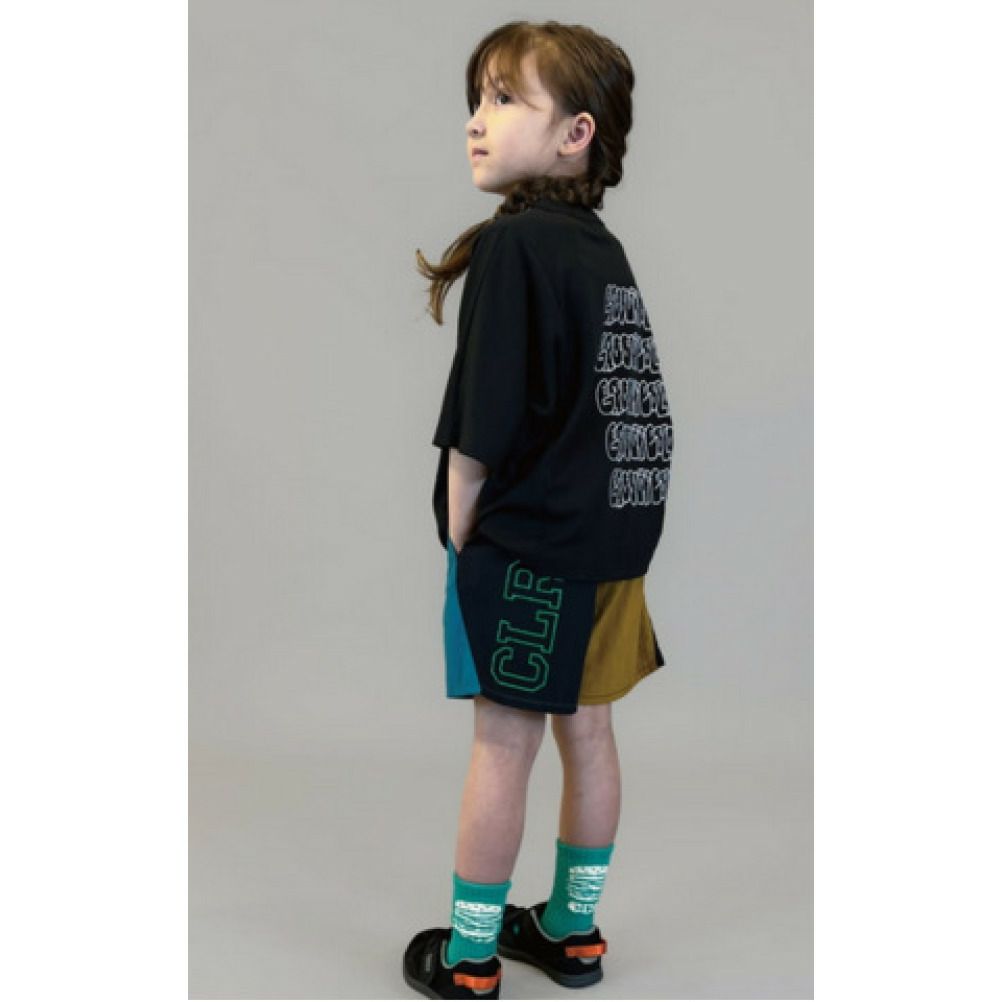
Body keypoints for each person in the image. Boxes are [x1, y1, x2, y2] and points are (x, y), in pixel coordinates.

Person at [403, 19, 674, 1000]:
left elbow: (482, 422)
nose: (477, 120)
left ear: (575, 133)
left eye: (506, 98)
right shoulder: (603, 252)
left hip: (529, 551)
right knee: (589, 733)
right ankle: (573, 931)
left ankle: (473, 956)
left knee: (503, 744)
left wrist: (461, 533)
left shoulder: (515, 247)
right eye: (477, 99)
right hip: (614, 542)